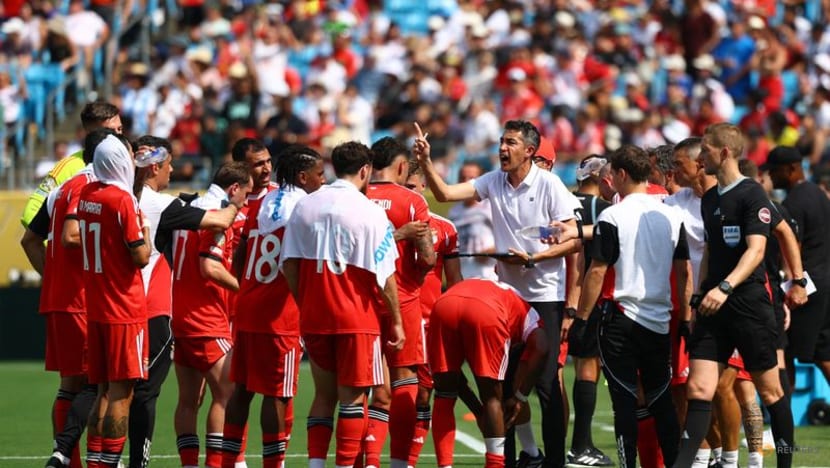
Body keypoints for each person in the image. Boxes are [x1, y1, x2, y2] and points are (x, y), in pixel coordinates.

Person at [416, 120, 582, 467]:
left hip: (544, 296)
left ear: (530, 151)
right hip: (505, 298)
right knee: (501, 384)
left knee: (548, 385)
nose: (502, 149)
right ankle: (505, 460)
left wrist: (534, 257)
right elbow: (445, 194)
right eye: (501, 142)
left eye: (510, 143)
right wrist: (427, 162)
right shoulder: (494, 180)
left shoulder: (550, 185)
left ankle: (553, 461)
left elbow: (574, 240)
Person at [674, 123, 795, 468]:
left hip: (747, 304)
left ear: (724, 152)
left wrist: (725, 287)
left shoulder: (752, 194)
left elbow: (756, 250)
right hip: (714, 305)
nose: (702, 157)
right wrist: (699, 295)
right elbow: (711, 249)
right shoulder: (711, 198)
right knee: (699, 389)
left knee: (770, 392)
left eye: (707, 150)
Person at [562, 144, 689, 468]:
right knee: (661, 402)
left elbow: (597, 271)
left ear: (620, 174)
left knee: (625, 402)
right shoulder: (672, 214)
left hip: (619, 317)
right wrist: (685, 314)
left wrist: (581, 319)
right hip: (659, 319)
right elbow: (683, 271)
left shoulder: (613, 214)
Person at [280, 141, 405, 468]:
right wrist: (397, 321)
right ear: (365, 170)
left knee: (323, 396)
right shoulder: (370, 212)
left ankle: (316, 465)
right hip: (356, 318)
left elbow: (289, 264)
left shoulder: (305, 206)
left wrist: (303, 302)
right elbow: (386, 277)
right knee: (353, 398)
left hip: (315, 315)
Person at [131, 135, 240, 468]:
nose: (172, 170)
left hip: (144, 310)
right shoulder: (163, 205)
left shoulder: (123, 197)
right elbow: (219, 224)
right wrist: (238, 204)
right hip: (174, 313)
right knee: (226, 395)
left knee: (112, 391)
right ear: (154, 167)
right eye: (168, 165)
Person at [221, 146, 325, 467]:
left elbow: (239, 255)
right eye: (320, 174)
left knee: (241, 390)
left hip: (249, 304)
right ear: (303, 176)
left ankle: (228, 461)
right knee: (276, 394)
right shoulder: (306, 208)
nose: (324, 181)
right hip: (280, 315)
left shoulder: (264, 202)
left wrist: (249, 287)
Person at [20, 128, 117, 468]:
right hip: (83, 300)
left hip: (62, 298)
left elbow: (29, 240)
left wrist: (53, 279)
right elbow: (72, 236)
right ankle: (95, 460)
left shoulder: (62, 189)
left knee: (71, 385)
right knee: (99, 385)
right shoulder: (92, 188)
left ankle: (74, 460)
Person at [170, 162, 252, 468]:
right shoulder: (218, 213)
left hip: (180, 314)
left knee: (189, 399)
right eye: (245, 195)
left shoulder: (190, 207)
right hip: (205, 318)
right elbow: (210, 266)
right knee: (227, 393)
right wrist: (243, 290)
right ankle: (218, 465)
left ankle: (189, 464)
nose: (244, 203)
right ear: (234, 189)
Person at [76, 133, 150, 468]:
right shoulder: (123, 200)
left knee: (103, 390)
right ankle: (107, 463)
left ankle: (97, 463)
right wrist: (146, 231)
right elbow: (141, 256)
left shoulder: (87, 194)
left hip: (97, 306)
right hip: (124, 308)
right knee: (123, 393)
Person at [363, 136, 436, 468]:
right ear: (402, 166)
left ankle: (364, 459)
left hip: (360, 301)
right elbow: (429, 259)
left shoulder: (357, 197)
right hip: (402, 299)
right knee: (405, 380)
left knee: (359, 386)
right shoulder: (411, 200)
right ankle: (399, 464)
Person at [428, 278, 549, 468]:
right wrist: (521, 397)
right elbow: (542, 347)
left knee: (444, 393)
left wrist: (477, 411)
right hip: (486, 311)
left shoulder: (504, 292)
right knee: (492, 397)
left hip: (444, 303)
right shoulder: (529, 315)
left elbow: (455, 379)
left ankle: (444, 466)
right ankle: (495, 465)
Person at [403, 159, 465, 466]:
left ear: (424, 189)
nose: (409, 192)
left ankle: (412, 460)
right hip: (395, 315)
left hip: (428, 321)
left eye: (414, 187)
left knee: (425, 394)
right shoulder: (387, 222)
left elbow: (454, 283)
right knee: (386, 394)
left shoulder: (445, 229)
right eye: (405, 187)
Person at [763, 146, 830, 386]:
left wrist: (791, 284)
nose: (770, 175)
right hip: (825, 283)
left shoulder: (795, 201)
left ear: (792, 168)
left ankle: (784, 421)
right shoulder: (819, 193)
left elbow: (793, 247)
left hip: (806, 288)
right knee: (824, 353)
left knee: (784, 351)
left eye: (774, 170)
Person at [566, 155, 614, 468]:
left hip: (551, 293)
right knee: (588, 367)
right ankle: (580, 446)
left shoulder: (561, 201)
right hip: (589, 296)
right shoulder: (604, 210)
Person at [21, 101, 122, 228]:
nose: (118, 136)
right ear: (89, 133)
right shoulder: (69, 167)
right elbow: (31, 212)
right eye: (110, 131)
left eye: (120, 129)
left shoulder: (128, 164)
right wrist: (54, 245)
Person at [447, 161, 497, 281]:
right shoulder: (454, 212)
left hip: (489, 277)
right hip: (463, 276)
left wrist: (491, 251)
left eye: (471, 178)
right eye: (463, 178)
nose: (466, 182)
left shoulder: (491, 207)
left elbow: (509, 238)